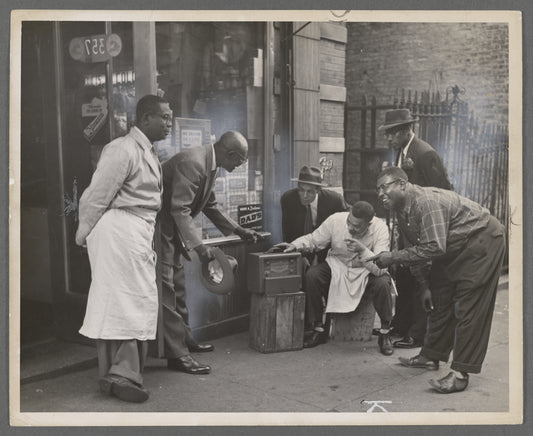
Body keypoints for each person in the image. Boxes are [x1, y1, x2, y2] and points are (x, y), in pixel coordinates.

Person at [367, 167, 506, 393]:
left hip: (482, 240)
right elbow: (417, 248)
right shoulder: (402, 210)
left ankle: (461, 373)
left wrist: (392, 258)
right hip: (452, 246)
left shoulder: (426, 202)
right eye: (378, 190)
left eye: (385, 187)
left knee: (468, 306)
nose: (380, 193)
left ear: (402, 184)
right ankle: (431, 356)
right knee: (439, 299)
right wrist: (424, 287)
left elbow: (433, 247)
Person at [75, 94, 170, 403]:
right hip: (120, 232)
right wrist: (83, 233)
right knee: (129, 300)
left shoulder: (146, 150)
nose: (169, 123)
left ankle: (117, 373)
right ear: (144, 119)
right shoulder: (122, 149)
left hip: (134, 231)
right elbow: (96, 195)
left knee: (126, 300)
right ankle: (122, 373)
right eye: (164, 118)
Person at [157, 130, 261, 375]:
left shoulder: (209, 163)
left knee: (178, 287)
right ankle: (177, 355)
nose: (240, 165)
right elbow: (180, 210)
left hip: (173, 231)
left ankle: (185, 340)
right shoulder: (194, 163)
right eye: (240, 160)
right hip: (161, 231)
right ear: (230, 153)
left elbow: (210, 206)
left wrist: (238, 230)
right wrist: (202, 248)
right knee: (168, 292)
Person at [278, 201, 396, 355]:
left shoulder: (380, 228)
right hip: (338, 265)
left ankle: (385, 333)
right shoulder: (336, 220)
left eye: (357, 226)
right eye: (350, 222)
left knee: (383, 283)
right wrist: (295, 245)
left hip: (364, 269)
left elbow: (380, 267)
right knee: (313, 275)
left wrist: (363, 251)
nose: (351, 228)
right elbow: (314, 240)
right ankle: (318, 328)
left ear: (369, 224)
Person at [379, 108, 452, 349]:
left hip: (425, 225)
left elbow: (442, 192)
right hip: (408, 224)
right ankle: (402, 325)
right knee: (405, 273)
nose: (388, 139)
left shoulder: (424, 153)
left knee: (422, 276)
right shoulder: (401, 151)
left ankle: (417, 334)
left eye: (391, 134)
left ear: (404, 131)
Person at [281, 165, 348, 264]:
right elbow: (288, 232)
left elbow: (344, 227)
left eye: (309, 191)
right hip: (299, 249)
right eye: (301, 190)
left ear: (318, 190)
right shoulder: (288, 199)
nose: (304, 195)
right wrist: (298, 254)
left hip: (327, 253)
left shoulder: (334, 200)